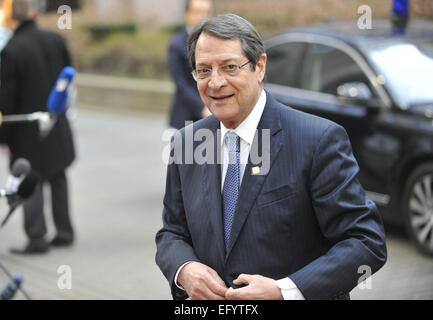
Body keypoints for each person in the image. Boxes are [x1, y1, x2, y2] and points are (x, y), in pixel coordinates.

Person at [155, 14, 387, 300]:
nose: (215, 83)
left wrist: (285, 290)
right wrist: (185, 269)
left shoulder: (317, 140)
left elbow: (365, 242)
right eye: (203, 70)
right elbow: (172, 233)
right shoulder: (187, 142)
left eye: (229, 67)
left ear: (260, 66)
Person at [0, 0, 76, 254]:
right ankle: (64, 232)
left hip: (26, 129)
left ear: (12, 18)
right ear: (33, 13)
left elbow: (6, 100)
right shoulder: (55, 39)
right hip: (56, 122)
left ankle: (37, 238)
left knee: (31, 179)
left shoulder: (11, 50)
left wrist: (3, 138)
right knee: (58, 175)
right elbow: (68, 78)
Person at [167, 0, 213, 130]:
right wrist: (202, 107)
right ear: (187, 14)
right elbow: (181, 83)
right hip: (184, 117)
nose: (202, 16)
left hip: (213, 117)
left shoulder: (216, 43)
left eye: (207, 12)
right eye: (198, 12)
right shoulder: (176, 44)